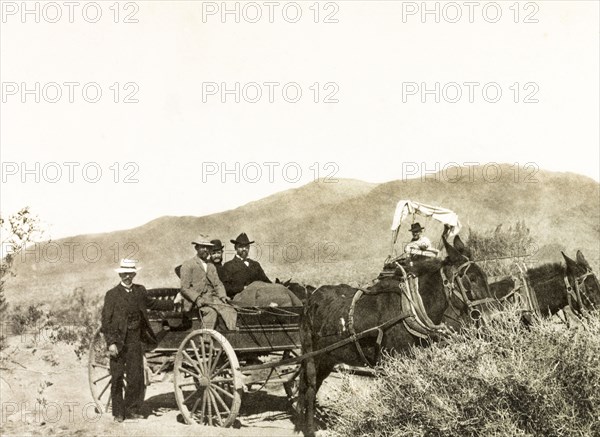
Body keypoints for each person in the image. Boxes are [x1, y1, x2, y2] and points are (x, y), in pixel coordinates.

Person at [101, 259, 174, 423]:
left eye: (130, 273)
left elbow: (153, 303)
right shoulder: (112, 295)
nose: (128, 276)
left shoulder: (140, 291)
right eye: (125, 273)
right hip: (118, 341)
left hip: (135, 339)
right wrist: (111, 343)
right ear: (120, 274)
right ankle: (119, 412)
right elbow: (106, 322)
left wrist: (172, 303)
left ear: (134, 274)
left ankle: (131, 409)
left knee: (135, 377)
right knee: (118, 376)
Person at [179, 234, 237, 330]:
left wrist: (223, 296)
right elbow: (185, 288)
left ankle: (231, 337)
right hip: (195, 302)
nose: (206, 249)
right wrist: (197, 298)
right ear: (196, 248)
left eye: (208, 247)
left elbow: (218, 284)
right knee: (211, 312)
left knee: (230, 310)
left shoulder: (211, 266)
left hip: (212, 299)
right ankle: (206, 342)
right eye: (203, 247)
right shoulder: (188, 264)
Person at [221, 232, 271, 298]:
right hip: (238, 300)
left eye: (246, 246)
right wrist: (243, 288)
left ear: (249, 248)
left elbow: (266, 281)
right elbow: (225, 288)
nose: (244, 249)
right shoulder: (228, 266)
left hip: (258, 299)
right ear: (235, 248)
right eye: (241, 246)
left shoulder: (256, 265)